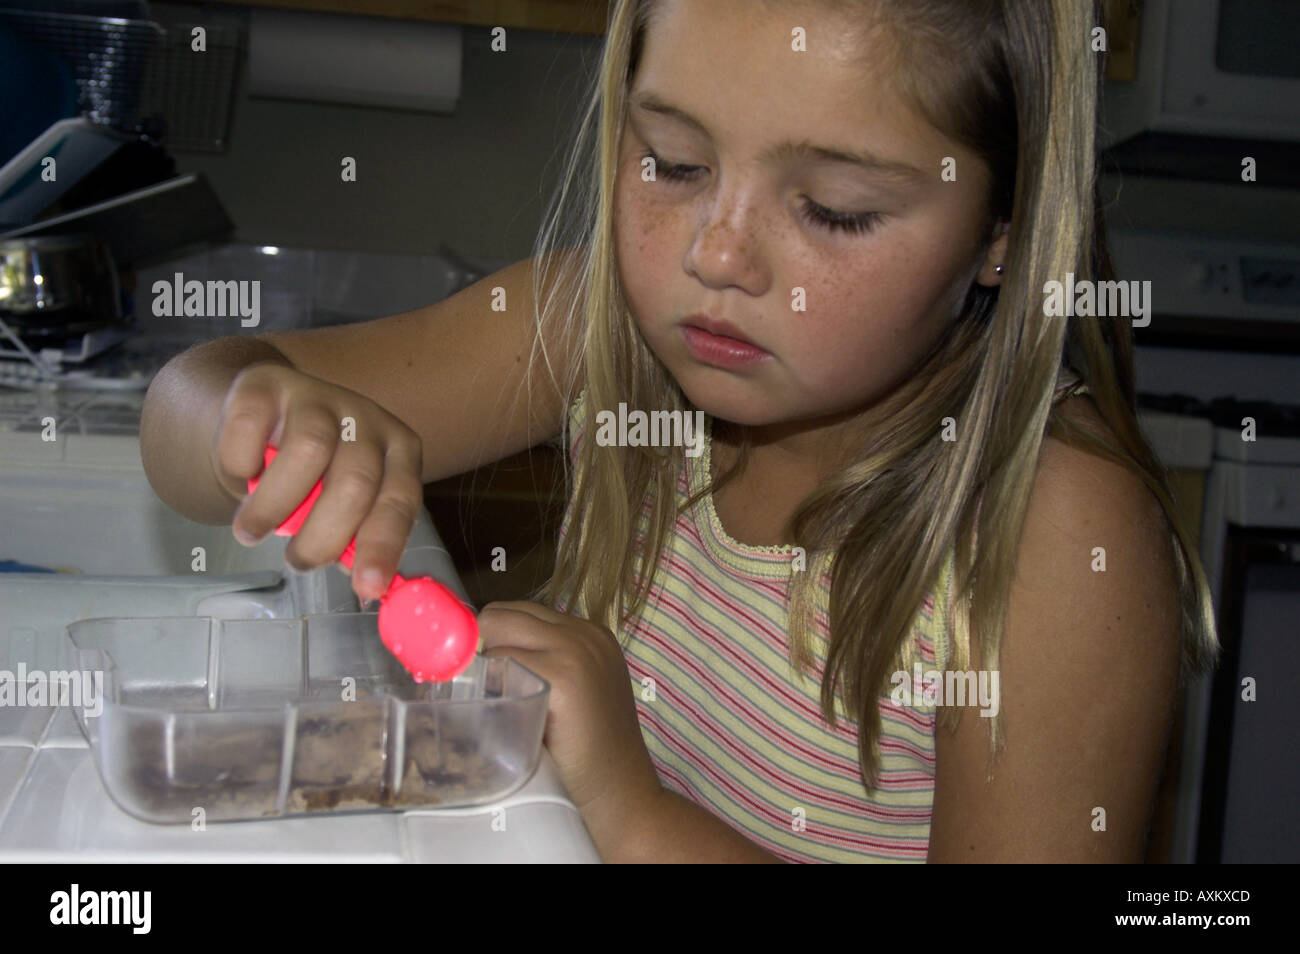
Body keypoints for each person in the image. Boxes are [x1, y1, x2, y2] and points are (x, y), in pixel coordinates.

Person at [141, 0, 1219, 863]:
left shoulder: (1052, 541)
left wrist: (629, 807)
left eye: (835, 208)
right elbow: (187, 407)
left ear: (1002, 236)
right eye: (673, 162)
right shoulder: (598, 331)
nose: (717, 256)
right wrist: (264, 418)